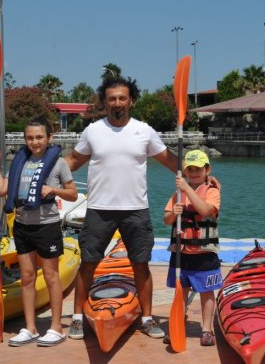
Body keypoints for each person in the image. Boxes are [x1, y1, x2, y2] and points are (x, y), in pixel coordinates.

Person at [63, 75, 179, 340]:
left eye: (122, 98)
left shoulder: (144, 130)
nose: (117, 103)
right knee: (88, 263)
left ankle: (147, 318)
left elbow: (170, 161)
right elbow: (72, 160)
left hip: (135, 209)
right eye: (112, 98)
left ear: (131, 101)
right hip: (99, 209)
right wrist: (41, 171)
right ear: (105, 102)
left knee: (141, 264)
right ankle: (78, 318)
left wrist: (201, 173)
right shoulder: (93, 130)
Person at [0, 118, 78, 347]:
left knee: (50, 276)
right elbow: (1, 190)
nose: (35, 142)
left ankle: (56, 327)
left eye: (39, 137)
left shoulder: (58, 164)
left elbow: (73, 194)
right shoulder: (20, 161)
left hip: (46, 226)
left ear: (49, 138)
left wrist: (53, 189)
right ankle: (30, 327)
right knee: (27, 277)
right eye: (30, 137)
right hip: (21, 226)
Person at [162, 149, 222, 346]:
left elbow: (206, 210)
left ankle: (206, 329)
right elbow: (166, 219)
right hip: (182, 253)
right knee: (181, 290)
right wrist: (174, 213)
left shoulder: (212, 191)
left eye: (198, 169)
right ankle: (178, 322)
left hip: (204, 254)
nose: (194, 173)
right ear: (185, 172)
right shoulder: (177, 194)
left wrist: (187, 189)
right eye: (190, 169)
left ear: (207, 170)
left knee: (207, 292)